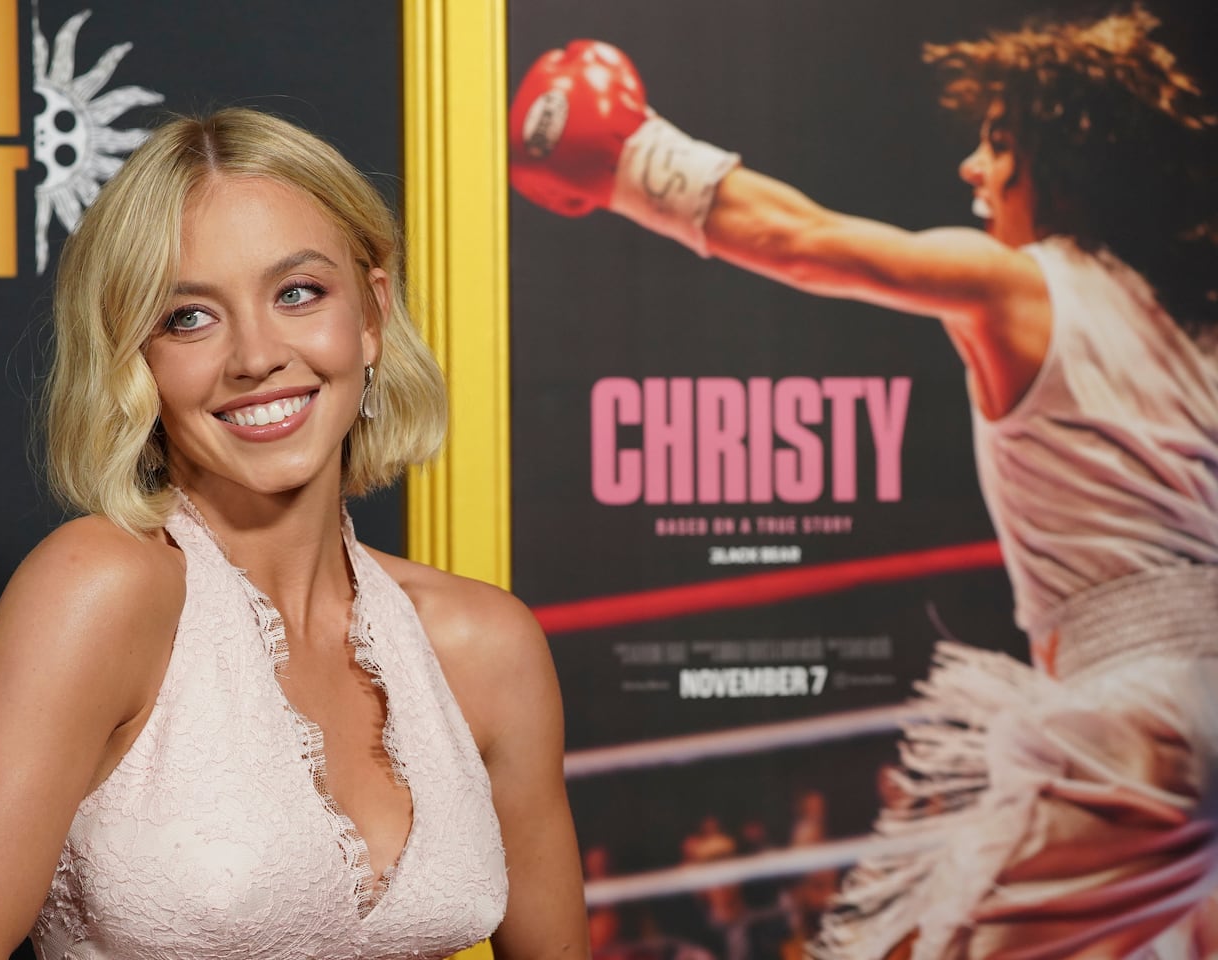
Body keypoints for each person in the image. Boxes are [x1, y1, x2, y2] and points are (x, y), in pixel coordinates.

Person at [509, 7, 1217, 960]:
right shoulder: (1192, 331)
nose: (972, 166)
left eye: (998, 143)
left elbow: (804, 240)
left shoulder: (1021, 284)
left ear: (1066, 163)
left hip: (1144, 724)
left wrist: (625, 153)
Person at [0, 107, 588, 960]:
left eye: (297, 293)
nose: (255, 356)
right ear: (134, 357)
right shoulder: (98, 589)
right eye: (189, 318)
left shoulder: (487, 645)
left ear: (371, 315)